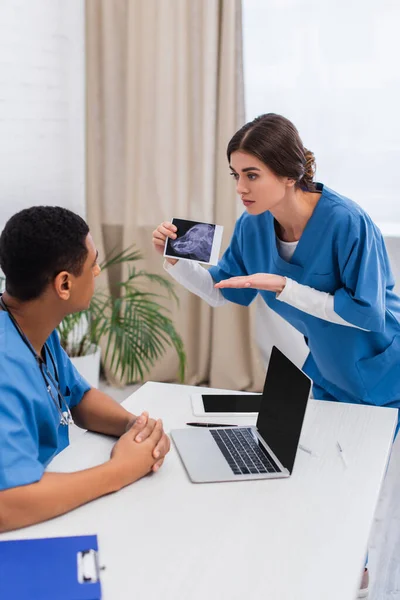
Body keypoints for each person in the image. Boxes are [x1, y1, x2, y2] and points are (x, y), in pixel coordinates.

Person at [153, 113, 400, 597]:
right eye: (236, 175)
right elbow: (225, 290)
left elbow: (364, 314)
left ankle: (365, 568)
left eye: (252, 174)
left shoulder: (347, 222)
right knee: (319, 468)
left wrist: (285, 286)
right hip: (328, 369)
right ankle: (352, 569)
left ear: (289, 174)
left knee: (367, 480)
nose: (241, 188)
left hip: (385, 367)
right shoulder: (253, 227)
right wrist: (174, 261)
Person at [0, 206, 170, 533]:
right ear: (64, 284)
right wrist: (121, 470)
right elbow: (8, 504)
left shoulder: (31, 324)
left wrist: (134, 427)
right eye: (93, 264)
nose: (98, 271)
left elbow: (79, 397)